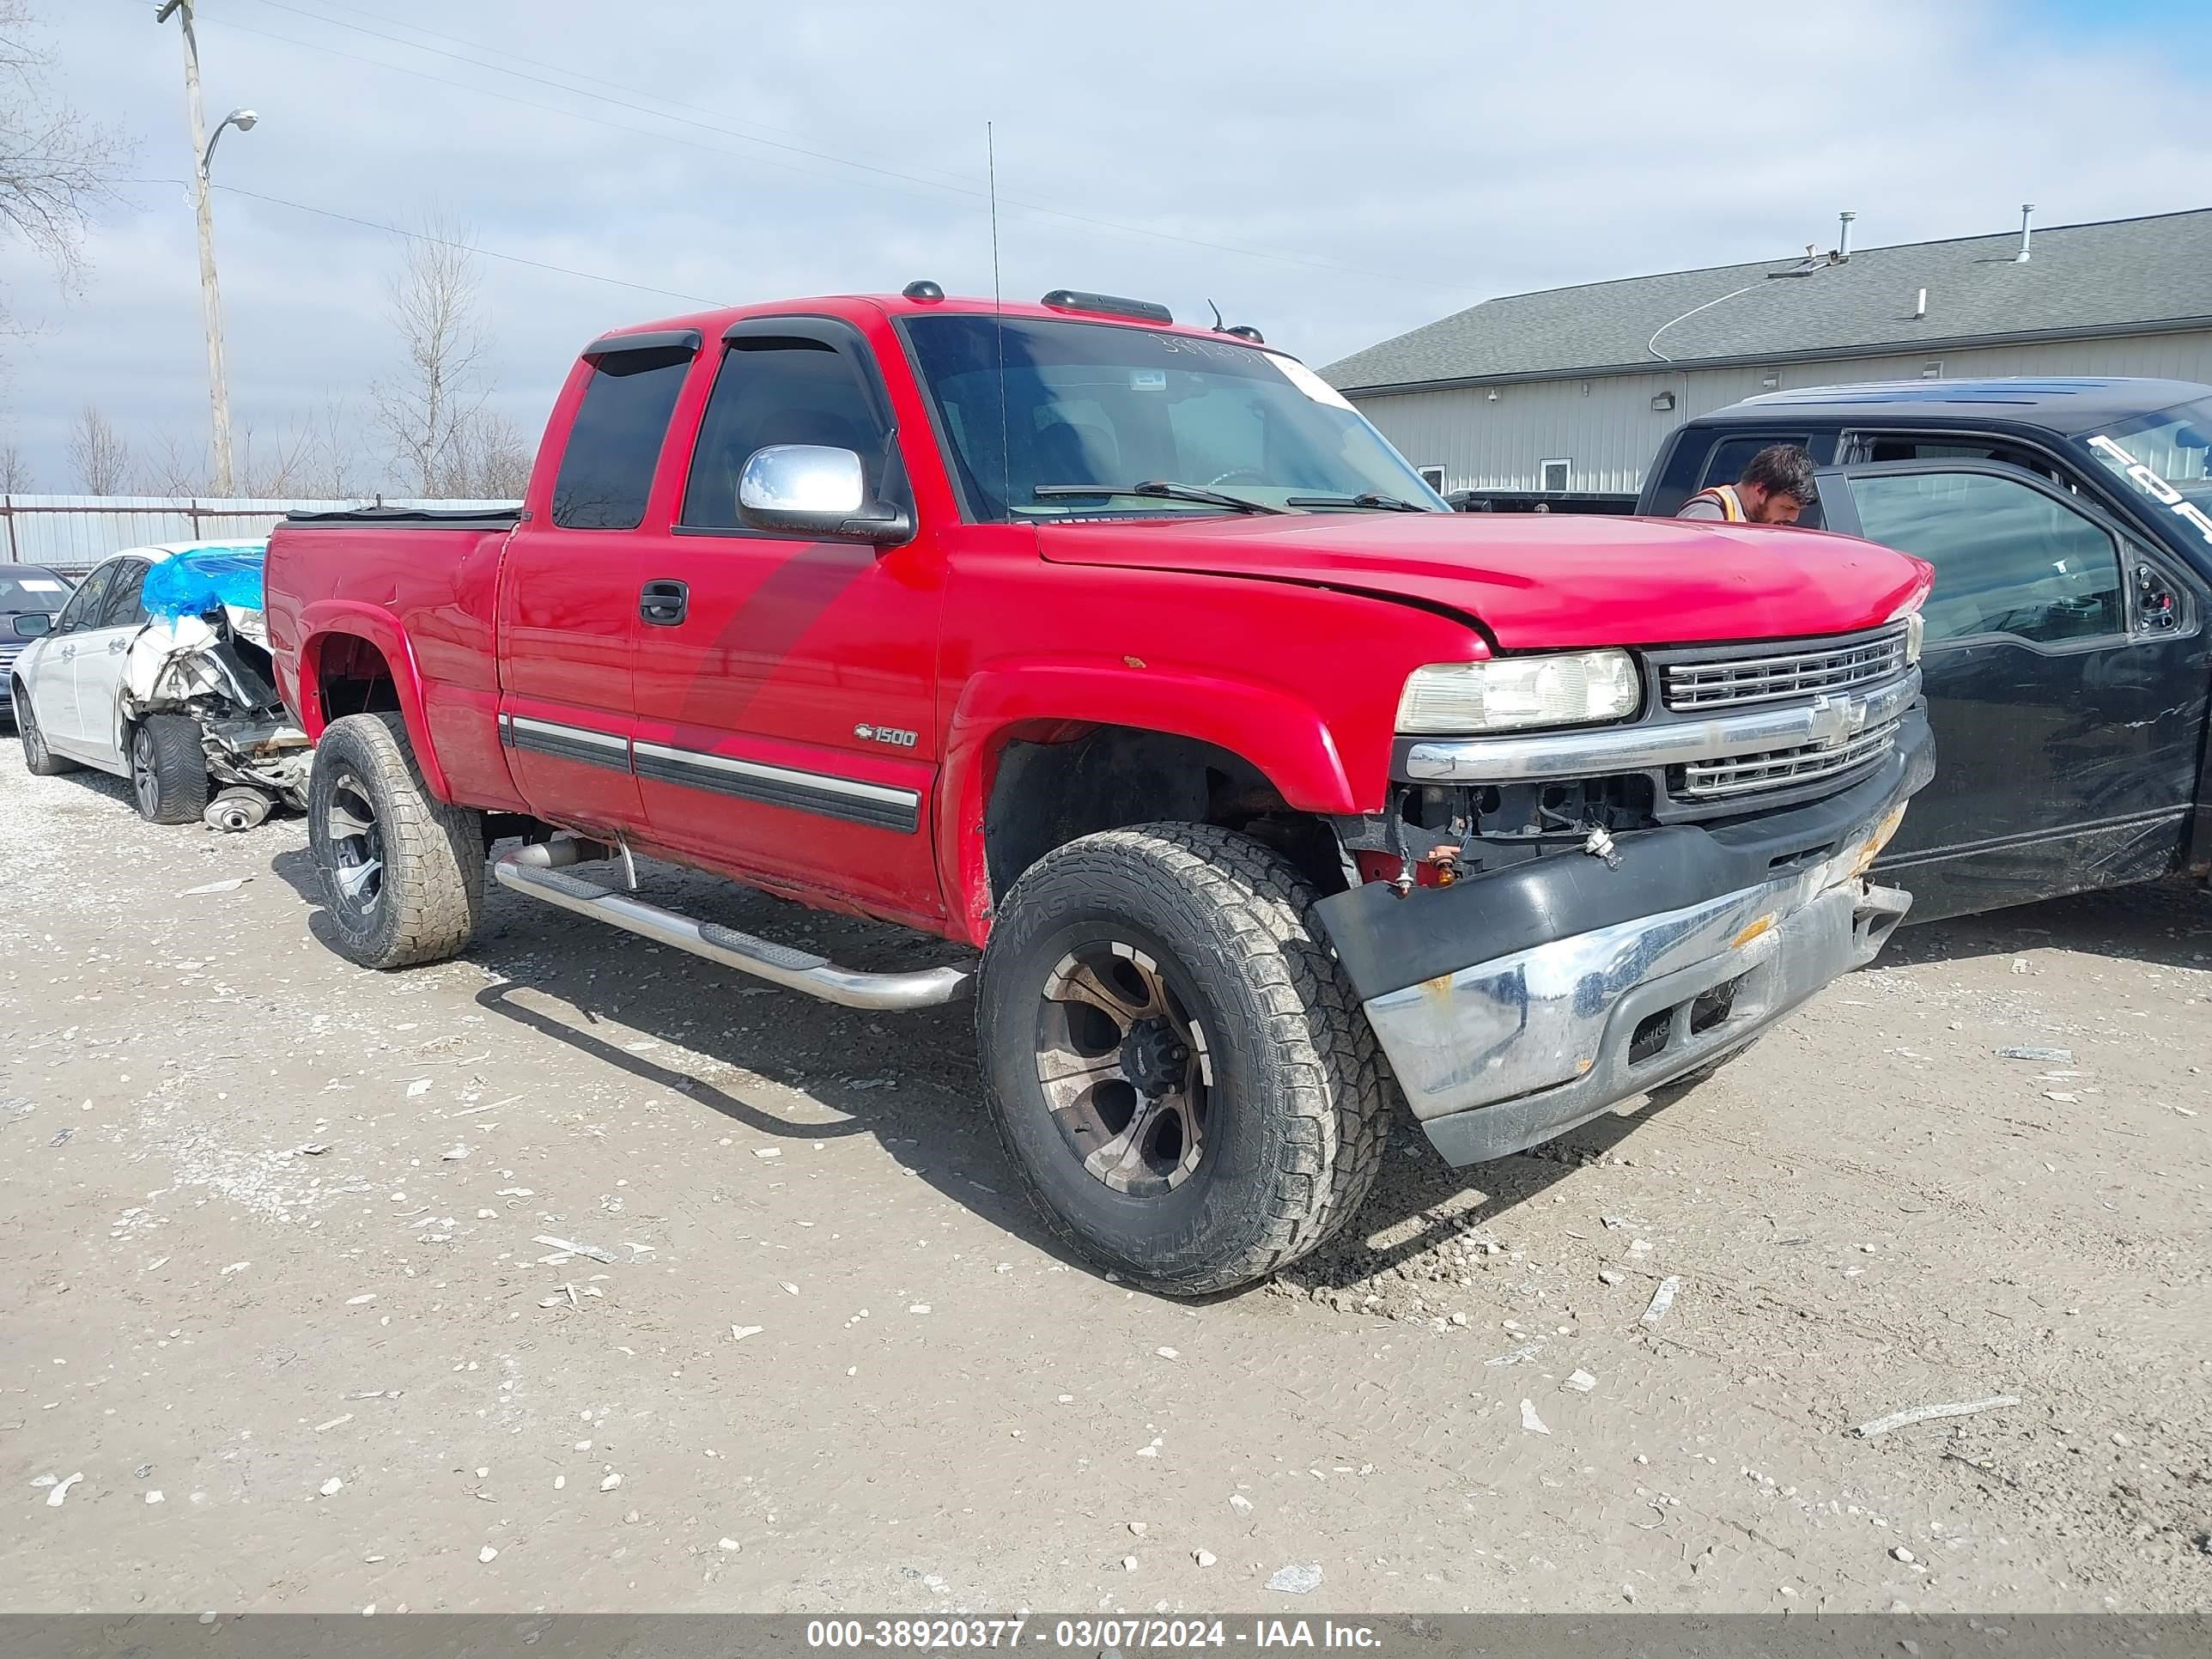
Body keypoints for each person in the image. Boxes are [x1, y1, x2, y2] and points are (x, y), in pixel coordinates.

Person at [1678, 443, 1816, 524]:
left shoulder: (1760, 520)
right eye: (1788, 507)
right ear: (1760, 490)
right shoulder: (1708, 515)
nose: (1793, 518)